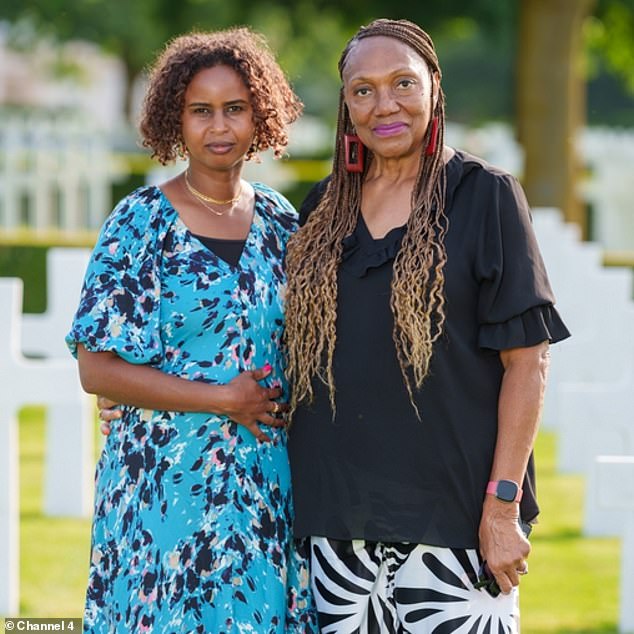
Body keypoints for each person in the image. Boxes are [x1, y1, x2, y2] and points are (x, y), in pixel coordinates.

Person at [283, 18, 570, 633]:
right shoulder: (321, 212)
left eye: (402, 84)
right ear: (345, 105)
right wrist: (138, 394)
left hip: (456, 529)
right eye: (363, 90)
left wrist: (502, 508)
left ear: (434, 87)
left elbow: (528, 361)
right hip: (336, 529)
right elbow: (273, 344)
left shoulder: (486, 198)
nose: (383, 105)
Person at [66, 27, 317, 633]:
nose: (219, 127)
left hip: (262, 485)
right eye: (200, 111)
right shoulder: (139, 222)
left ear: (261, 116)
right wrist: (222, 399)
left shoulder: (284, 225)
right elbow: (97, 369)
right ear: (174, 120)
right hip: (159, 485)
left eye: (235, 109)